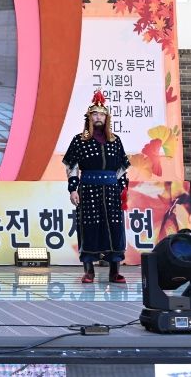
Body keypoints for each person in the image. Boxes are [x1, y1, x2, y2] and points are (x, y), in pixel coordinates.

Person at [63, 90, 130, 284]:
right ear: (89, 117)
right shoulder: (79, 140)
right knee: (89, 228)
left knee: (115, 228)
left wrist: (123, 190)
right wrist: (73, 189)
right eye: (95, 114)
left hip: (111, 190)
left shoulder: (115, 140)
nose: (98, 117)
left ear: (106, 118)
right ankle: (89, 271)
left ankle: (114, 271)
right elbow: (72, 167)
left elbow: (121, 169)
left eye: (102, 114)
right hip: (88, 189)